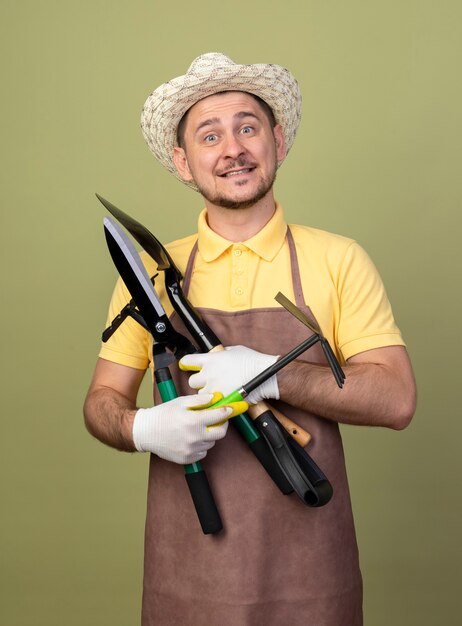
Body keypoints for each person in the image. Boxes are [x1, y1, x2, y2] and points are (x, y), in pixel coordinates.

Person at [84, 52, 416, 626]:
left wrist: (276, 374)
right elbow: (100, 404)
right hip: (187, 565)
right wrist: (143, 427)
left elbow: (396, 401)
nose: (232, 148)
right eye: (209, 135)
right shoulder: (151, 276)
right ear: (184, 162)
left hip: (311, 566)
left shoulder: (337, 259)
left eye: (247, 127)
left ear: (278, 142)